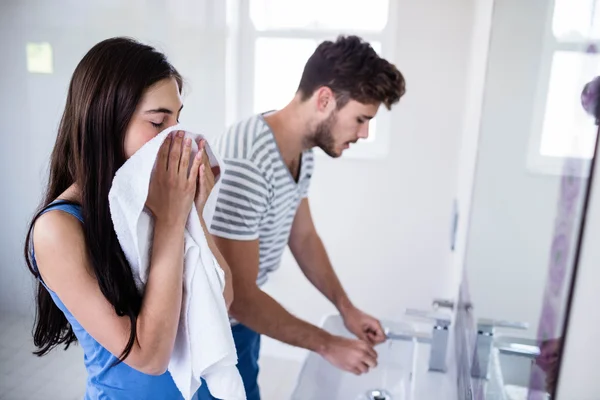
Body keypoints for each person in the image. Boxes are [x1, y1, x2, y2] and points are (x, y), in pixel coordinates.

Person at [24, 37, 232, 399]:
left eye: (177, 120)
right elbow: (148, 357)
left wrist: (193, 212)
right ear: (105, 122)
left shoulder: (151, 201)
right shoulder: (58, 229)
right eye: (157, 122)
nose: (175, 137)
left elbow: (222, 300)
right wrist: (171, 221)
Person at [200, 35, 407, 400]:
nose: (364, 133)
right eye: (361, 119)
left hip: (242, 325)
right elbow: (240, 298)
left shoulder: (301, 150)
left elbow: (304, 236)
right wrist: (328, 344)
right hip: (214, 331)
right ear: (325, 100)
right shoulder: (248, 161)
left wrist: (346, 308)